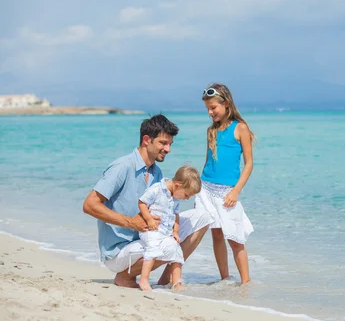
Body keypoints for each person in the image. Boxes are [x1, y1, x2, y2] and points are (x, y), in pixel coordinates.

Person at [83, 114, 212, 288]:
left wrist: (174, 227)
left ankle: (168, 281)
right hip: (119, 251)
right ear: (146, 140)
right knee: (163, 245)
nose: (168, 149)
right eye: (163, 143)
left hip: (146, 239)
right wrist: (130, 222)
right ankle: (125, 277)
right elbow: (89, 205)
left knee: (203, 217)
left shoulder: (156, 173)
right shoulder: (123, 167)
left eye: (170, 144)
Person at [197, 83, 255, 284]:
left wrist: (236, 191)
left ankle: (246, 283)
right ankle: (225, 278)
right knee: (216, 236)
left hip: (227, 192)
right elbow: (208, 161)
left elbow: (249, 164)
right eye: (208, 109)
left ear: (226, 104)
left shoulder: (240, 128)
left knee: (235, 238)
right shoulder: (210, 131)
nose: (210, 112)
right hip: (206, 188)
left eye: (213, 108)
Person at [138, 165, 201, 291]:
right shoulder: (157, 189)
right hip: (151, 230)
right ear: (178, 185)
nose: (187, 198)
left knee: (176, 250)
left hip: (166, 232)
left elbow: (176, 215)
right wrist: (149, 219)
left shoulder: (175, 197)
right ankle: (143, 279)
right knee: (153, 248)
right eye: (187, 195)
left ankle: (176, 282)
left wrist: (176, 231)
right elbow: (142, 203)